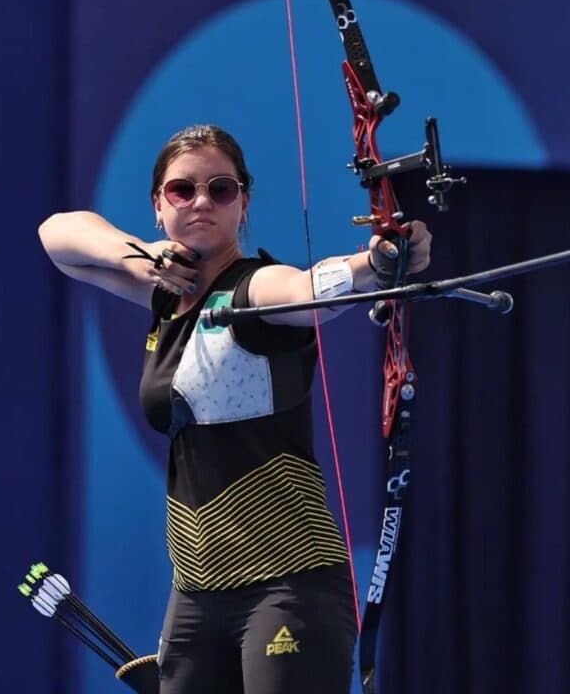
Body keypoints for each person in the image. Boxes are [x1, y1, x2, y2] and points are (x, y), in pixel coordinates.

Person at [38, 125, 431, 694]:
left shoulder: (256, 288)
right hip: (196, 593)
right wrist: (145, 256)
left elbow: (306, 291)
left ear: (243, 202)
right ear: (158, 205)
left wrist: (377, 262)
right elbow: (57, 236)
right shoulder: (164, 294)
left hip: (289, 583)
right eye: (182, 190)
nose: (202, 202)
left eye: (221, 190)